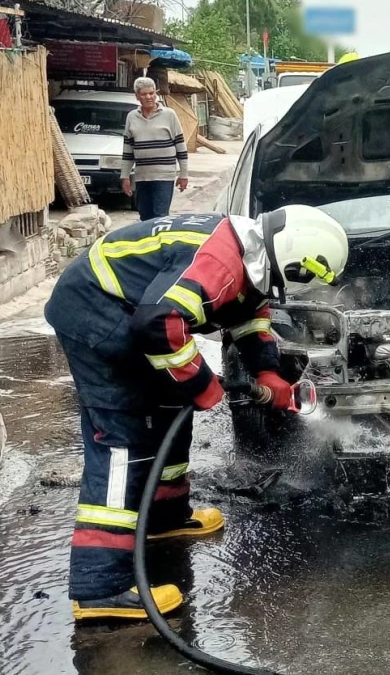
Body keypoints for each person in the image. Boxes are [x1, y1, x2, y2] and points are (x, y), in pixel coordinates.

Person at [45, 206, 349, 620]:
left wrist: (267, 371)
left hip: (129, 311)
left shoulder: (251, 254)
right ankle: (100, 588)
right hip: (95, 312)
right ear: (293, 261)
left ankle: (164, 517)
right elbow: (159, 324)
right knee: (121, 442)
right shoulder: (220, 258)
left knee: (173, 410)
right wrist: (202, 384)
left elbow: (248, 313)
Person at [120, 77, 189, 221]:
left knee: (160, 216)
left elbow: (181, 147)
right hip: (142, 176)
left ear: (156, 94)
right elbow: (128, 151)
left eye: (151, 93)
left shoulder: (169, 115)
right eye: (144, 94)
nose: (148, 97)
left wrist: (184, 174)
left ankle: (160, 242)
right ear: (137, 96)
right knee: (145, 216)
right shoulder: (132, 117)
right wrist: (125, 176)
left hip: (164, 175)